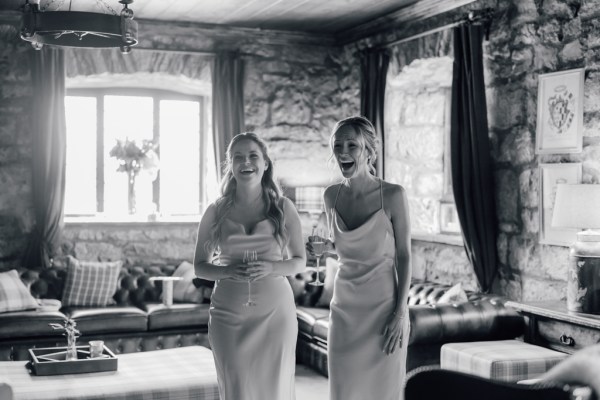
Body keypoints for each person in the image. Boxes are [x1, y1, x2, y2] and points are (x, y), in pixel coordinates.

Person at [194, 132, 306, 400]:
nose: (246, 162)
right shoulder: (215, 210)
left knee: (275, 388)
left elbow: (299, 261)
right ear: (230, 166)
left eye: (253, 155)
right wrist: (228, 271)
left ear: (265, 163)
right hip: (228, 314)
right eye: (238, 157)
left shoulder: (283, 207)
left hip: (276, 314)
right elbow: (200, 267)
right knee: (236, 387)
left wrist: (271, 268)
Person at [307, 116, 412, 400]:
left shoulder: (393, 195)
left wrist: (400, 313)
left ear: (368, 151)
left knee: (383, 393)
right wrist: (323, 249)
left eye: (352, 145)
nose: (343, 151)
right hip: (344, 312)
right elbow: (344, 248)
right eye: (337, 144)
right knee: (344, 392)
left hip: (384, 311)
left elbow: (404, 256)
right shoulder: (331, 196)